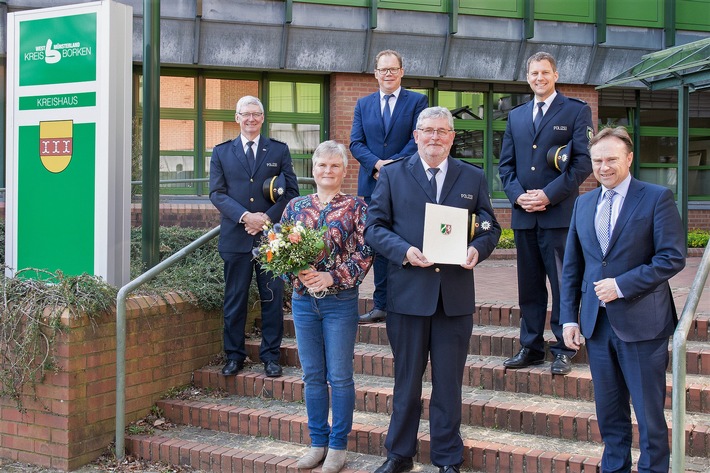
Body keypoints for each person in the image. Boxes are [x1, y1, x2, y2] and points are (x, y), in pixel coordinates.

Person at [365, 107, 500, 473]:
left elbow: (489, 226)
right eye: (428, 131)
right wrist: (404, 252)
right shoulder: (393, 175)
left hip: (453, 299)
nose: (435, 137)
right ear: (416, 135)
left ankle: (447, 458)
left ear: (452, 137)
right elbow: (374, 228)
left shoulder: (471, 177)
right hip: (408, 296)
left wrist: (478, 248)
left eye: (443, 131)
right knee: (406, 382)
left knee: (448, 385)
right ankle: (399, 455)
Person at [560, 126, 686, 473]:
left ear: (629, 158)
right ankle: (614, 467)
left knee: (648, 415)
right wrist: (569, 318)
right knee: (609, 412)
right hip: (597, 327)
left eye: (611, 159)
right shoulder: (583, 203)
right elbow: (573, 267)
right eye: (598, 160)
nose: (604, 167)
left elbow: (671, 257)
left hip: (643, 324)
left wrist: (622, 285)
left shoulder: (656, 197)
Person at [498, 51, 594, 375]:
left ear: (555, 75)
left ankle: (565, 347)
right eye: (534, 73)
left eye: (545, 72)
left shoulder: (577, 111)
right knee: (530, 286)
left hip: (559, 216)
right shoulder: (516, 116)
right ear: (528, 77)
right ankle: (531, 346)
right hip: (525, 215)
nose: (539, 78)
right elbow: (506, 167)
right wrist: (519, 197)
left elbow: (582, 163)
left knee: (563, 282)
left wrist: (548, 195)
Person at [281, 141, 373, 473]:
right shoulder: (295, 206)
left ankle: (338, 446)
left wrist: (331, 277)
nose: (327, 171)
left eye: (335, 166)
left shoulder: (357, 207)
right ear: (313, 168)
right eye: (322, 165)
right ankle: (317, 442)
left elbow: (365, 253)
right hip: (304, 302)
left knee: (340, 376)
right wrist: (297, 271)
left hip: (339, 304)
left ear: (345, 170)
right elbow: (274, 247)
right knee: (312, 376)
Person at [209, 95, 300, 378]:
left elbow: (293, 193)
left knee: (272, 298)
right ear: (236, 118)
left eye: (256, 114)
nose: (251, 119)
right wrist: (246, 217)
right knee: (234, 298)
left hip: (271, 239)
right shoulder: (222, 152)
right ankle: (234, 355)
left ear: (262, 118)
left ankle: (270, 357)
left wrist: (266, 218)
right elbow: (217, 193)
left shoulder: (279, 150)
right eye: (245, 114)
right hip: (236, 237)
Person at [350, 49, 429, 324]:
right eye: (383, 70)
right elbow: (355, 143)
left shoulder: (418, 101)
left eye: (393, 69)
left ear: (401, 71)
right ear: (375, 73)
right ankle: (381, 303)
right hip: (373, 185)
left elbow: (417, 138)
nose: (388, 74)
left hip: (407, 182)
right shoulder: (363, 104)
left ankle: (405, 301)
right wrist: (377, 165)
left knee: (407, 238)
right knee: (379, 243)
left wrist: (392, 164)